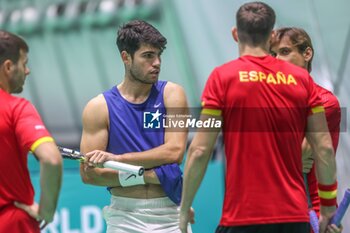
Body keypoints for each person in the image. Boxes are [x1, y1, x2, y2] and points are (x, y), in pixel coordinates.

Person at [179, 2, 337, 233]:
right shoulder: (301, 80)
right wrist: (328, 207)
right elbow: (323, 148)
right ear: (272, 35)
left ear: (235, 33)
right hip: (294, 217)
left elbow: (200, 150)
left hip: (243, 217)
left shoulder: (222, 77)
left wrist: (184, 208)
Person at [79, 20, 192, 232]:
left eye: (159, 55)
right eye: (148, 55)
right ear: (126, 57)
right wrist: (147, 175)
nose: (157, 62)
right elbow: (89, 174)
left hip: (171, 215)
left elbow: (175, 151)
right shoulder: (98, 108)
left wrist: (117, 160)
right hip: (124, 217)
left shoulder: (173, 94)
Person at [270, 27, 342, 233]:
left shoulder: (325, 103)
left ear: (307, 54)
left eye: (284, 52)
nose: (276, 60)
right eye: (273, 55)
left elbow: (298, 159)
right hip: (271, 210)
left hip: (312, 211)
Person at [0, 30, 62, 232]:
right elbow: (51, 159)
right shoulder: (17, 109)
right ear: (8, 67)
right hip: (12, 222)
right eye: (24, 63)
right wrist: (47, 210)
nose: (27, 71)